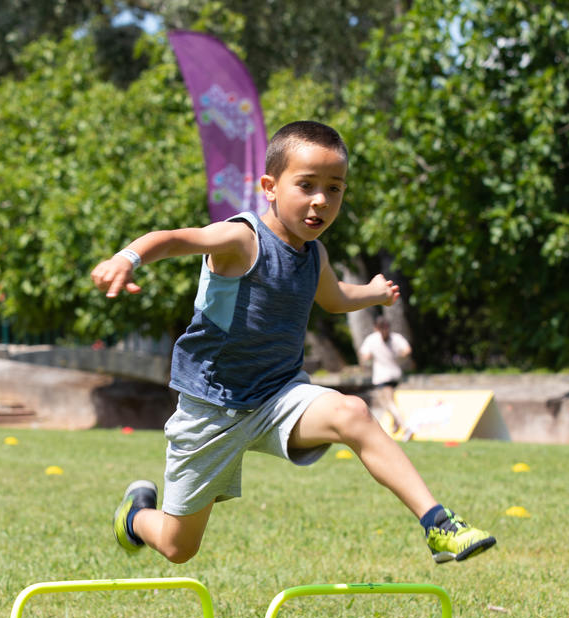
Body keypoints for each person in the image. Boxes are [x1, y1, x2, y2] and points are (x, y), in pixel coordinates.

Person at [90, 120, 495, 565]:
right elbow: (172, 240)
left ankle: (438, 525)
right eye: (306, 185)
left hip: (279, 396)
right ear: (270, 186)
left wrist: (375, 294)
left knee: (353, 412)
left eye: (335, 188)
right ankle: (134, 517)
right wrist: (127, 257)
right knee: (176, 547)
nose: (321, 200)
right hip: (212, 407)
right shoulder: (241, 239)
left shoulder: (313, 254)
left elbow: (335, 297)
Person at [358, 313, 411, 434]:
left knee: (387, 402)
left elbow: (365, 357)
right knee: (390, 400)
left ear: (375, 328)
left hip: (382, 376)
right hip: (396, 374)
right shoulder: (396, 337)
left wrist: (368, 360)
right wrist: (399, 356)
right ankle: (395, 423)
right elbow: (407, 350)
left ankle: (404, 425)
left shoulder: (372, 339)